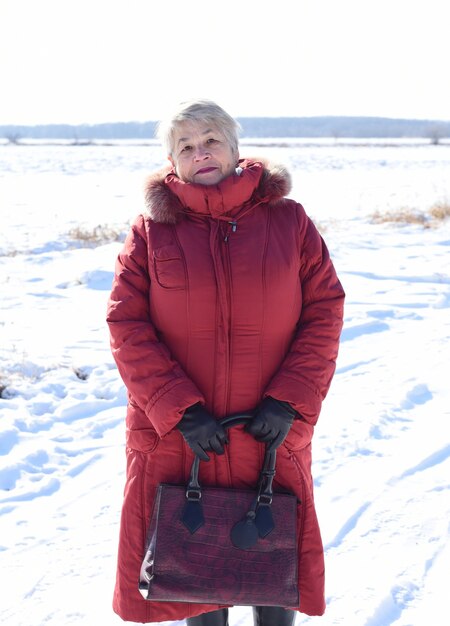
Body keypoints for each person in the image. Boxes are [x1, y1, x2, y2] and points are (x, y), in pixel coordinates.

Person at [106, 99, 345, 625]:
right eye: (185, 146)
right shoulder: (152, 231)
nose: (201, 153)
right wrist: (178, 409)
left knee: (272, 565)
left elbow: (325, 309)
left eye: (210, 139)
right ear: (173, 162)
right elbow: (126, 323)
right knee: (194, 575)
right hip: (183, 434)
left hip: (269, 430)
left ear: (236, 148)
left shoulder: (289, 221)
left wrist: (290, 400)